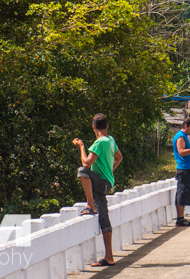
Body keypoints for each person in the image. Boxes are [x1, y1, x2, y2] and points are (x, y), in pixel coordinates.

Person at [73, 113, 122, 267]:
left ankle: (90, 206)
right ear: (107, 126)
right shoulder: (110, 140)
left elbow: (86, 163)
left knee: (82, 171)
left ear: (93, 127)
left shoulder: (100, 142)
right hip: (106, 182)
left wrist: (81, 147)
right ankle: (109, 257)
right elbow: (119, 157)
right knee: (104, 218)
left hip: (102, 182)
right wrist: (110, 171)